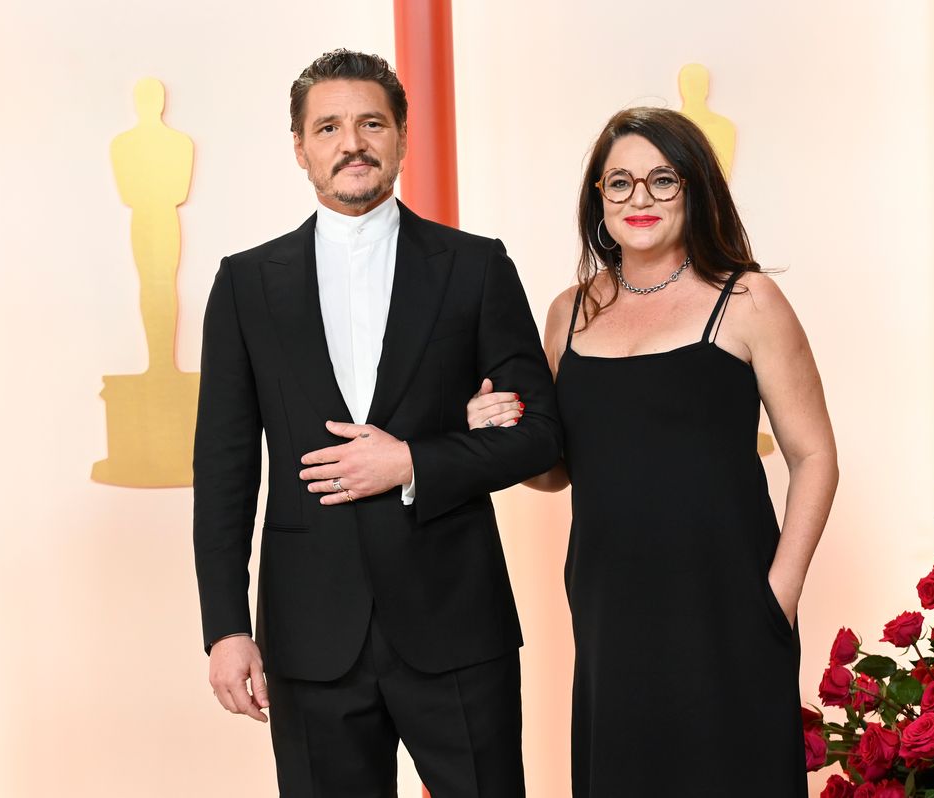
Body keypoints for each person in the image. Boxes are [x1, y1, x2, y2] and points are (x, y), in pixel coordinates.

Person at [193, 49, 560, 797]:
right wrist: (227, 628)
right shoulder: (244, 284)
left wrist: (416, 463)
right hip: (308, 632)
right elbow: (225, 472)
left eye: (371, 123)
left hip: (457, 619)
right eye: (328, 126)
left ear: (400, 137)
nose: (351, 142)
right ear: (300, 148)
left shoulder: (476, 266)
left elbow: (542, 436)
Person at [466, 107, 838, 796]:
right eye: (620, 183)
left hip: (729, 603)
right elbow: (554, 470)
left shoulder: (748, 300)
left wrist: (777, 596)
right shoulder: (567, 312)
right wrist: (501, 433)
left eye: (662, 181)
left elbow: (815, 455)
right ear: (598, 201)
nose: (640, 198)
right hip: (612, 609)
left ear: (695, 190)